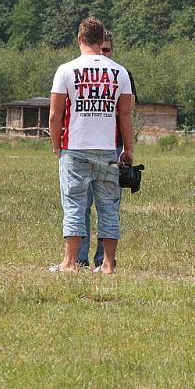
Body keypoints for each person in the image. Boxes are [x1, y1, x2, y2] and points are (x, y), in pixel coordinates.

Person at [49, 18, 133, 274]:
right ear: (101, 41)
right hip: (108, 148)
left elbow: (55, 114)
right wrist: (128, 149)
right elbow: (125, 115)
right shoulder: (120, 72)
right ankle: (107, 264)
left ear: (79, 39)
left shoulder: (66, 70)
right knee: (108, 206)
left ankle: (70, 262)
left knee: (74, 203)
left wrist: (56, 145)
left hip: (74, 147)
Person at [77, 29, 137, 268]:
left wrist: (127, 149)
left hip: (113, 145)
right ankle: (79, 259)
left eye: (107, 50)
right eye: (100, 48)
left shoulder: (122, 74)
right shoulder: (78, 71)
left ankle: (104, 260)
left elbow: (126, 114)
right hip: (82, 146)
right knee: (81, 204)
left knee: (108, 205)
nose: (103, 53)